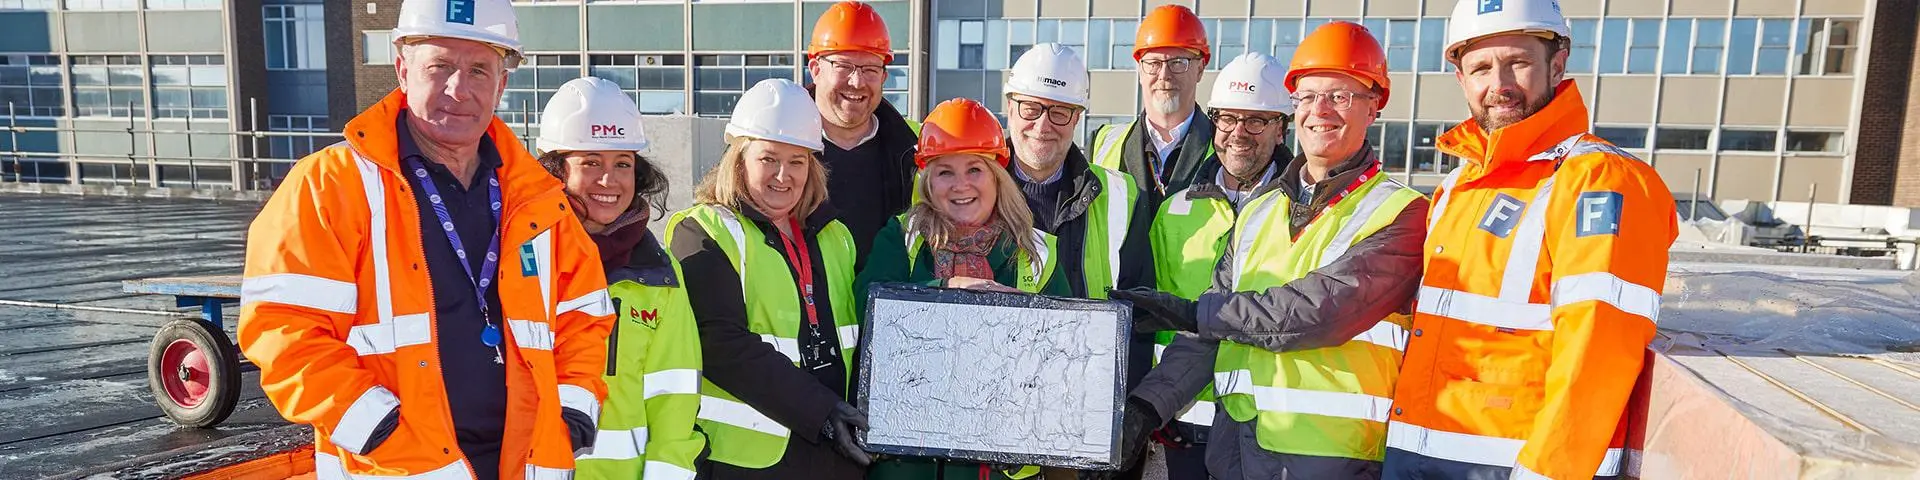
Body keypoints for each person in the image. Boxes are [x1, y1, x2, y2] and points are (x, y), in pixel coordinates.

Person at [236, 0, 613, 477]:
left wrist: (573, 414)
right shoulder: (330, 185)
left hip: (526, 462)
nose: (459, 89)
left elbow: (585, 316)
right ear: (402, 69)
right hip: (397, 465)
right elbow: (283, 332)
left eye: (479, 70)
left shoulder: (536, 196)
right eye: (440, 66)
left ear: (502, 84)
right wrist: (381, 432)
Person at [1111, 22, 1430, 479]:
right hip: (1236, 447)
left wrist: (1189, 311)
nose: (1322, 110)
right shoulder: (1260, 212)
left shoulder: (1402, 213)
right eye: (1309, 96)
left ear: (1375, 106)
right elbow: (1208, 334)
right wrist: (1144, 410)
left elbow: (1315, 311)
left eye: (1341, 96)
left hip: (1329, 457)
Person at [1383, 1, 1677, 478]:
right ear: (1461, 79)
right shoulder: (1458, 186)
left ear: (1556, 64)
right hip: (1421, 452)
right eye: (1480, 67)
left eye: (1517, 62)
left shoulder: (1597, 180)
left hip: (1514, 463)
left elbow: (1601, 344)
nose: (1498, 85)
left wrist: (1550, 470)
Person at [854, 98, 1070, 479]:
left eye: (975, 169)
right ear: (927, 181)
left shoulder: (1038, 253)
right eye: (944, 173)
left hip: (998, 465)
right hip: (908, 465)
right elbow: (863, 310)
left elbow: (1066, 364)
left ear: (997, 177)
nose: (961, 185)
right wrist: (947, 290)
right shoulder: (902, 238)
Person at [666, 78, 871, 480]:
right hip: (747, 461)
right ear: (739, 158)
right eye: (768, 159)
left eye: (797, 161)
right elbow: (720, 344)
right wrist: (824, 412)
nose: (784, 175)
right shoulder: (703, 232)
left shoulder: (836, 237)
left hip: (834, 457)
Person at [1134, 51, 1298, 479]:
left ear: (1281, 129)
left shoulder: (1300, 213)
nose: (1238, 134)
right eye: (1227, 119)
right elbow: (1159, 315)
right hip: (1184, 418)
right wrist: (1156, 410)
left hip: (1264, 424)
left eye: (1256, 121)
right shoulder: (1175, 210)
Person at [534, 77, 703, 480]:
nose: (609, 181)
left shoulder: (659, 275)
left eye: (622, 164)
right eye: (590, 162)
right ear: (556, 170)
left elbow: (675, 401)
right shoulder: (521, 260)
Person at [806, 1, 921, 271]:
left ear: (883, 76)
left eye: (870, 69)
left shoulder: (917, 149)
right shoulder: (778, 143)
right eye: (843, 66)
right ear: (816, 69)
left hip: (889, 309)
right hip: (799, 312)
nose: (857, 83)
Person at [1088, 4, 1216, 205]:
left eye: (1178, 62)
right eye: (1154, 63)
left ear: (1200, 69)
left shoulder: (1224, 146)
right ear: (1140, 70)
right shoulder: (1101, 145)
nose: (1164, 75)